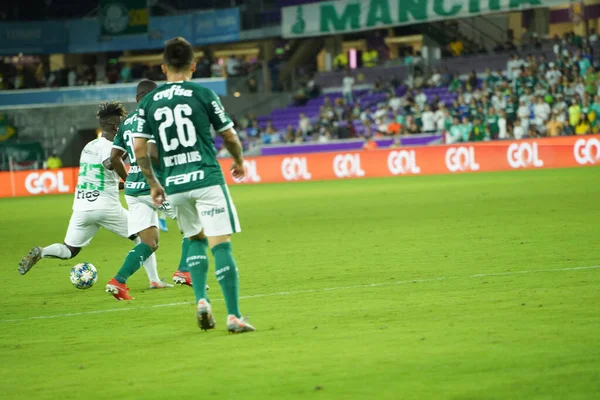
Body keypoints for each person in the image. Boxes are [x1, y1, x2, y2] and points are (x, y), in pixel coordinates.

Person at [130, 37, 254, 333]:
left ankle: (201, 300)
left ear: (163, 67)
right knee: (220, 244)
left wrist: (153, 182)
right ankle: (234, 316)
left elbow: (139, 150)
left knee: (194, 239)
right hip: (207, 178)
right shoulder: (202, 93)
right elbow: (229, 136)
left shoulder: (148, 102)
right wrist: (238, 161)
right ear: (193, 65)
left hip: (175, 184)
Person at [17, 102, 162, 289]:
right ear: (116, 126)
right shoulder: (109, 146)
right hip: (105, 207)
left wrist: (122, 182)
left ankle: (42, 252)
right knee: (144, 238)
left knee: (69, 250)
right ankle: (154, 280)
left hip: (82, 208)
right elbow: (110, 163)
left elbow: (101, 176)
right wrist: (127, 168)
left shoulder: (89, 146)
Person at [108, 80, 196, 299]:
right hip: (153, 186)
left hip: (133, 191)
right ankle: (184, 270)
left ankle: (118, 281)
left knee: (149, 242)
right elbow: (153, 152)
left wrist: (127, 179)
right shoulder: (157, 117)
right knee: (192, 221)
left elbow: (114, 158)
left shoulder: (126, 123)